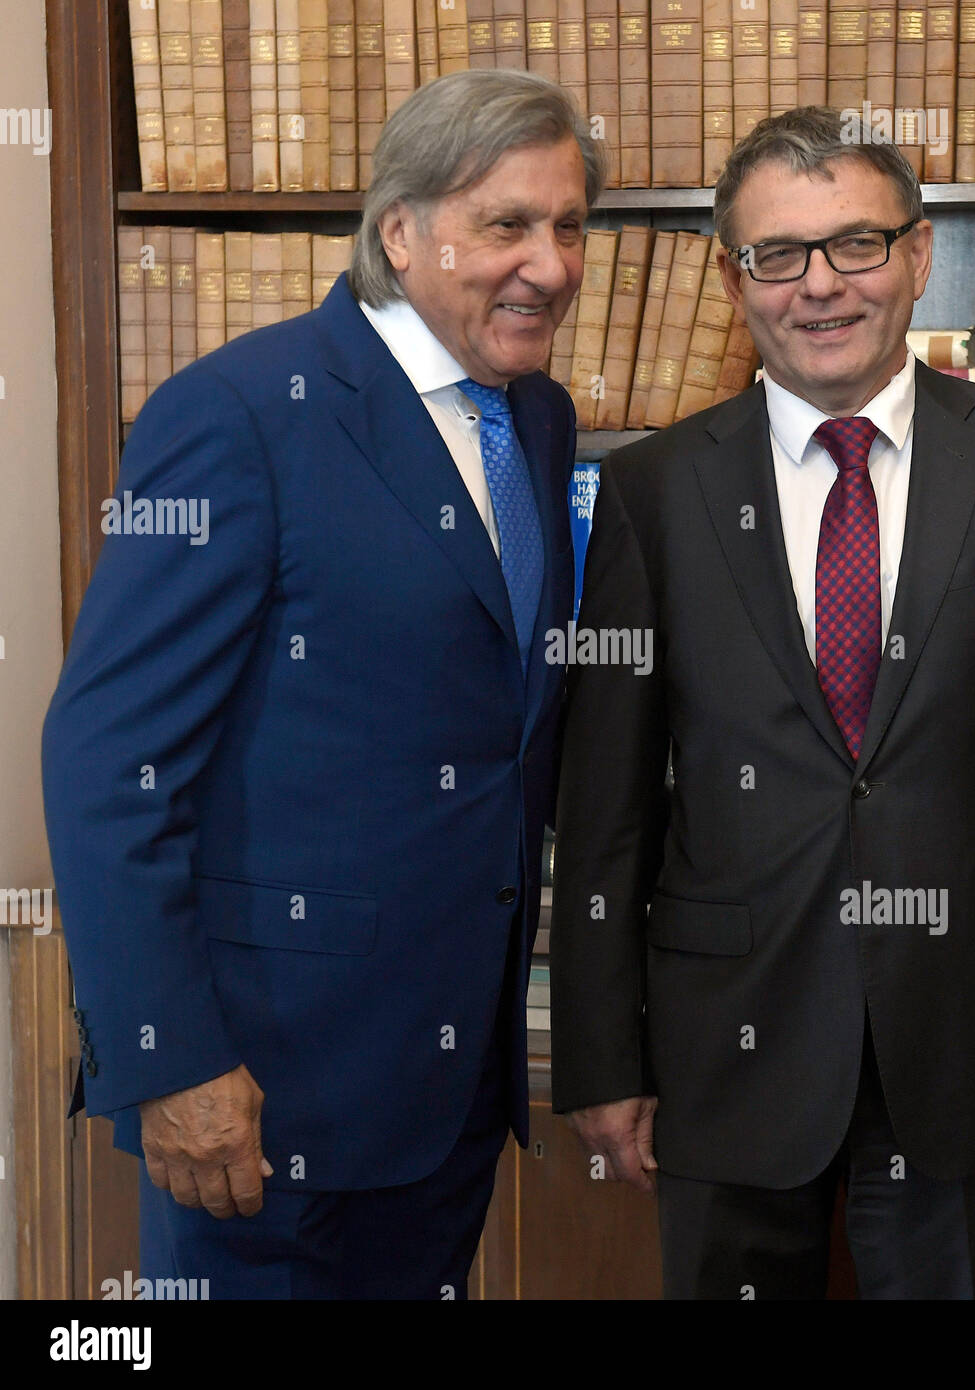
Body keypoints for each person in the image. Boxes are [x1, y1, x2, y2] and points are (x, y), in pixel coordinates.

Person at [549, 106, 975, 1300]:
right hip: (722, 1041)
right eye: (777, 255)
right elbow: (605, 808)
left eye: (855, 246)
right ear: (735, 280)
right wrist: (597, 1055)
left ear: (918, 257)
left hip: (971, 1031)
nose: (817, 287)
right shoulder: (651, 491)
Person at [42, 68, 602, 1300]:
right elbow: (104, 759)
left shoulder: (538, 420)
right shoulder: (239, 414)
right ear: (400, 232)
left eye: (570, 226)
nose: (552, 265)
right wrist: (169, 1059)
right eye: (507, 224)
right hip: (258, 1104)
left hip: (447, 1094)